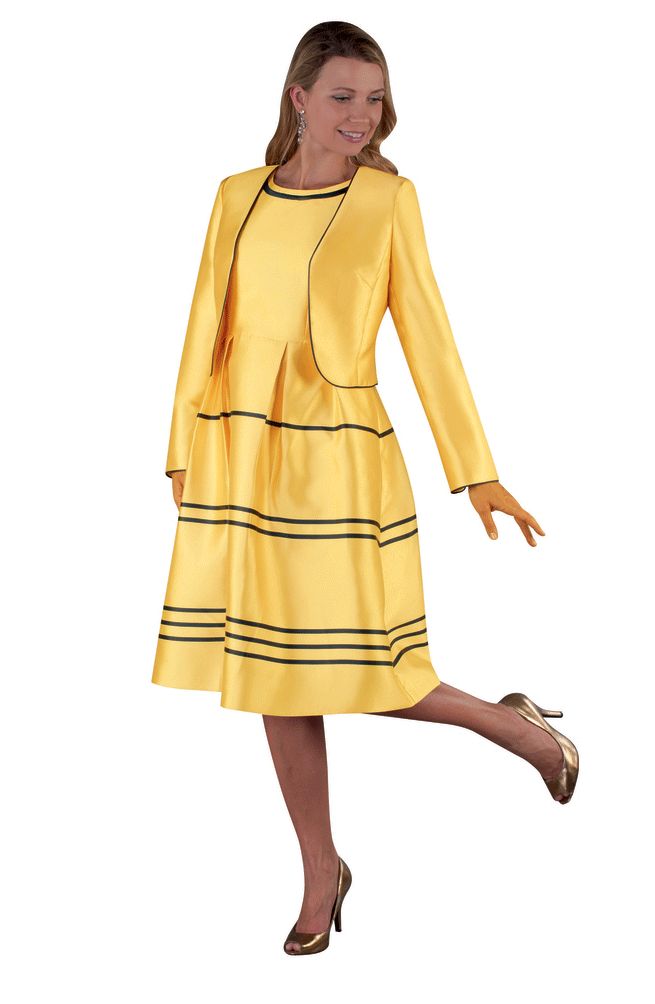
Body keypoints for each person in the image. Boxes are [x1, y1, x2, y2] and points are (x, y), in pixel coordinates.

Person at [151, 21, 579, 956]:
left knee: (369, 668)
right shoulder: (235, 195)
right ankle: (320, 871)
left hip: (342, 460)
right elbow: (203, 322)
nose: (361, 115)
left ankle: (521, 734)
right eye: (342, 96)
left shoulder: (388, 200)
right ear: (299, 98)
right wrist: (181, 446)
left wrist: (476, 471)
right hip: (242, 452)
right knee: (272, 671)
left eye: (374, 99)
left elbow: (427, 332)